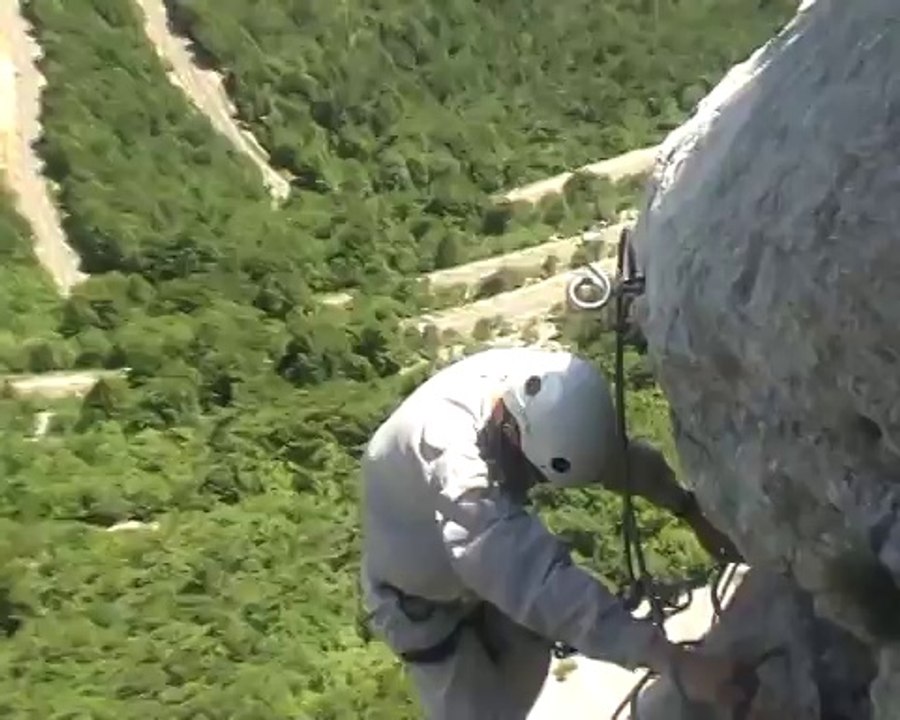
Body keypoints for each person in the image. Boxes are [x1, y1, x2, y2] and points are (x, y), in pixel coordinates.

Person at [359, 346, 743, 719]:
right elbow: (530, 578)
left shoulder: (543, 391)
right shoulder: (449, 454)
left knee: (521, 686)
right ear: (512, 433)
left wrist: (689, 509)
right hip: (421, 607)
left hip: (476, 585)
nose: (531, 484)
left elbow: (612, 460)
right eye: (532, 474)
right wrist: (673, 661)